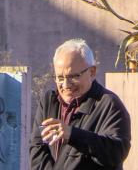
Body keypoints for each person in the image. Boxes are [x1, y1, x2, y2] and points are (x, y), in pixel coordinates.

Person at [29, 39, 131, 170]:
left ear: (92, 72)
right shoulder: (49, 100)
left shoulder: (109, 104)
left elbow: (116, 152)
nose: (65, 85)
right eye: (60, 78)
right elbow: (37, 147)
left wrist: (73, 135)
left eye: (73, 76)